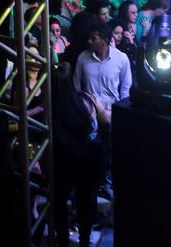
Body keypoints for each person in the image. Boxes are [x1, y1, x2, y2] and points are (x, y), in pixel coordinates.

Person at [52, 63, 107, 247]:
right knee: (86, 199)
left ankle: (63, 240)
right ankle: (85, 238)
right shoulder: (86, 100)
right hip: (88, 159)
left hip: (64, 161)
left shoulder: (51, 108)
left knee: (60, 201)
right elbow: (106, 121)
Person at [73, 23, 132, 109]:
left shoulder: (121, 58)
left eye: (93, 38)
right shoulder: (83, 57)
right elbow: (76, 85)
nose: (89, 41)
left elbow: (125, 89)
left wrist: (123, 110)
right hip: (89, 108)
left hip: (112, 108)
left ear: (105, 41)